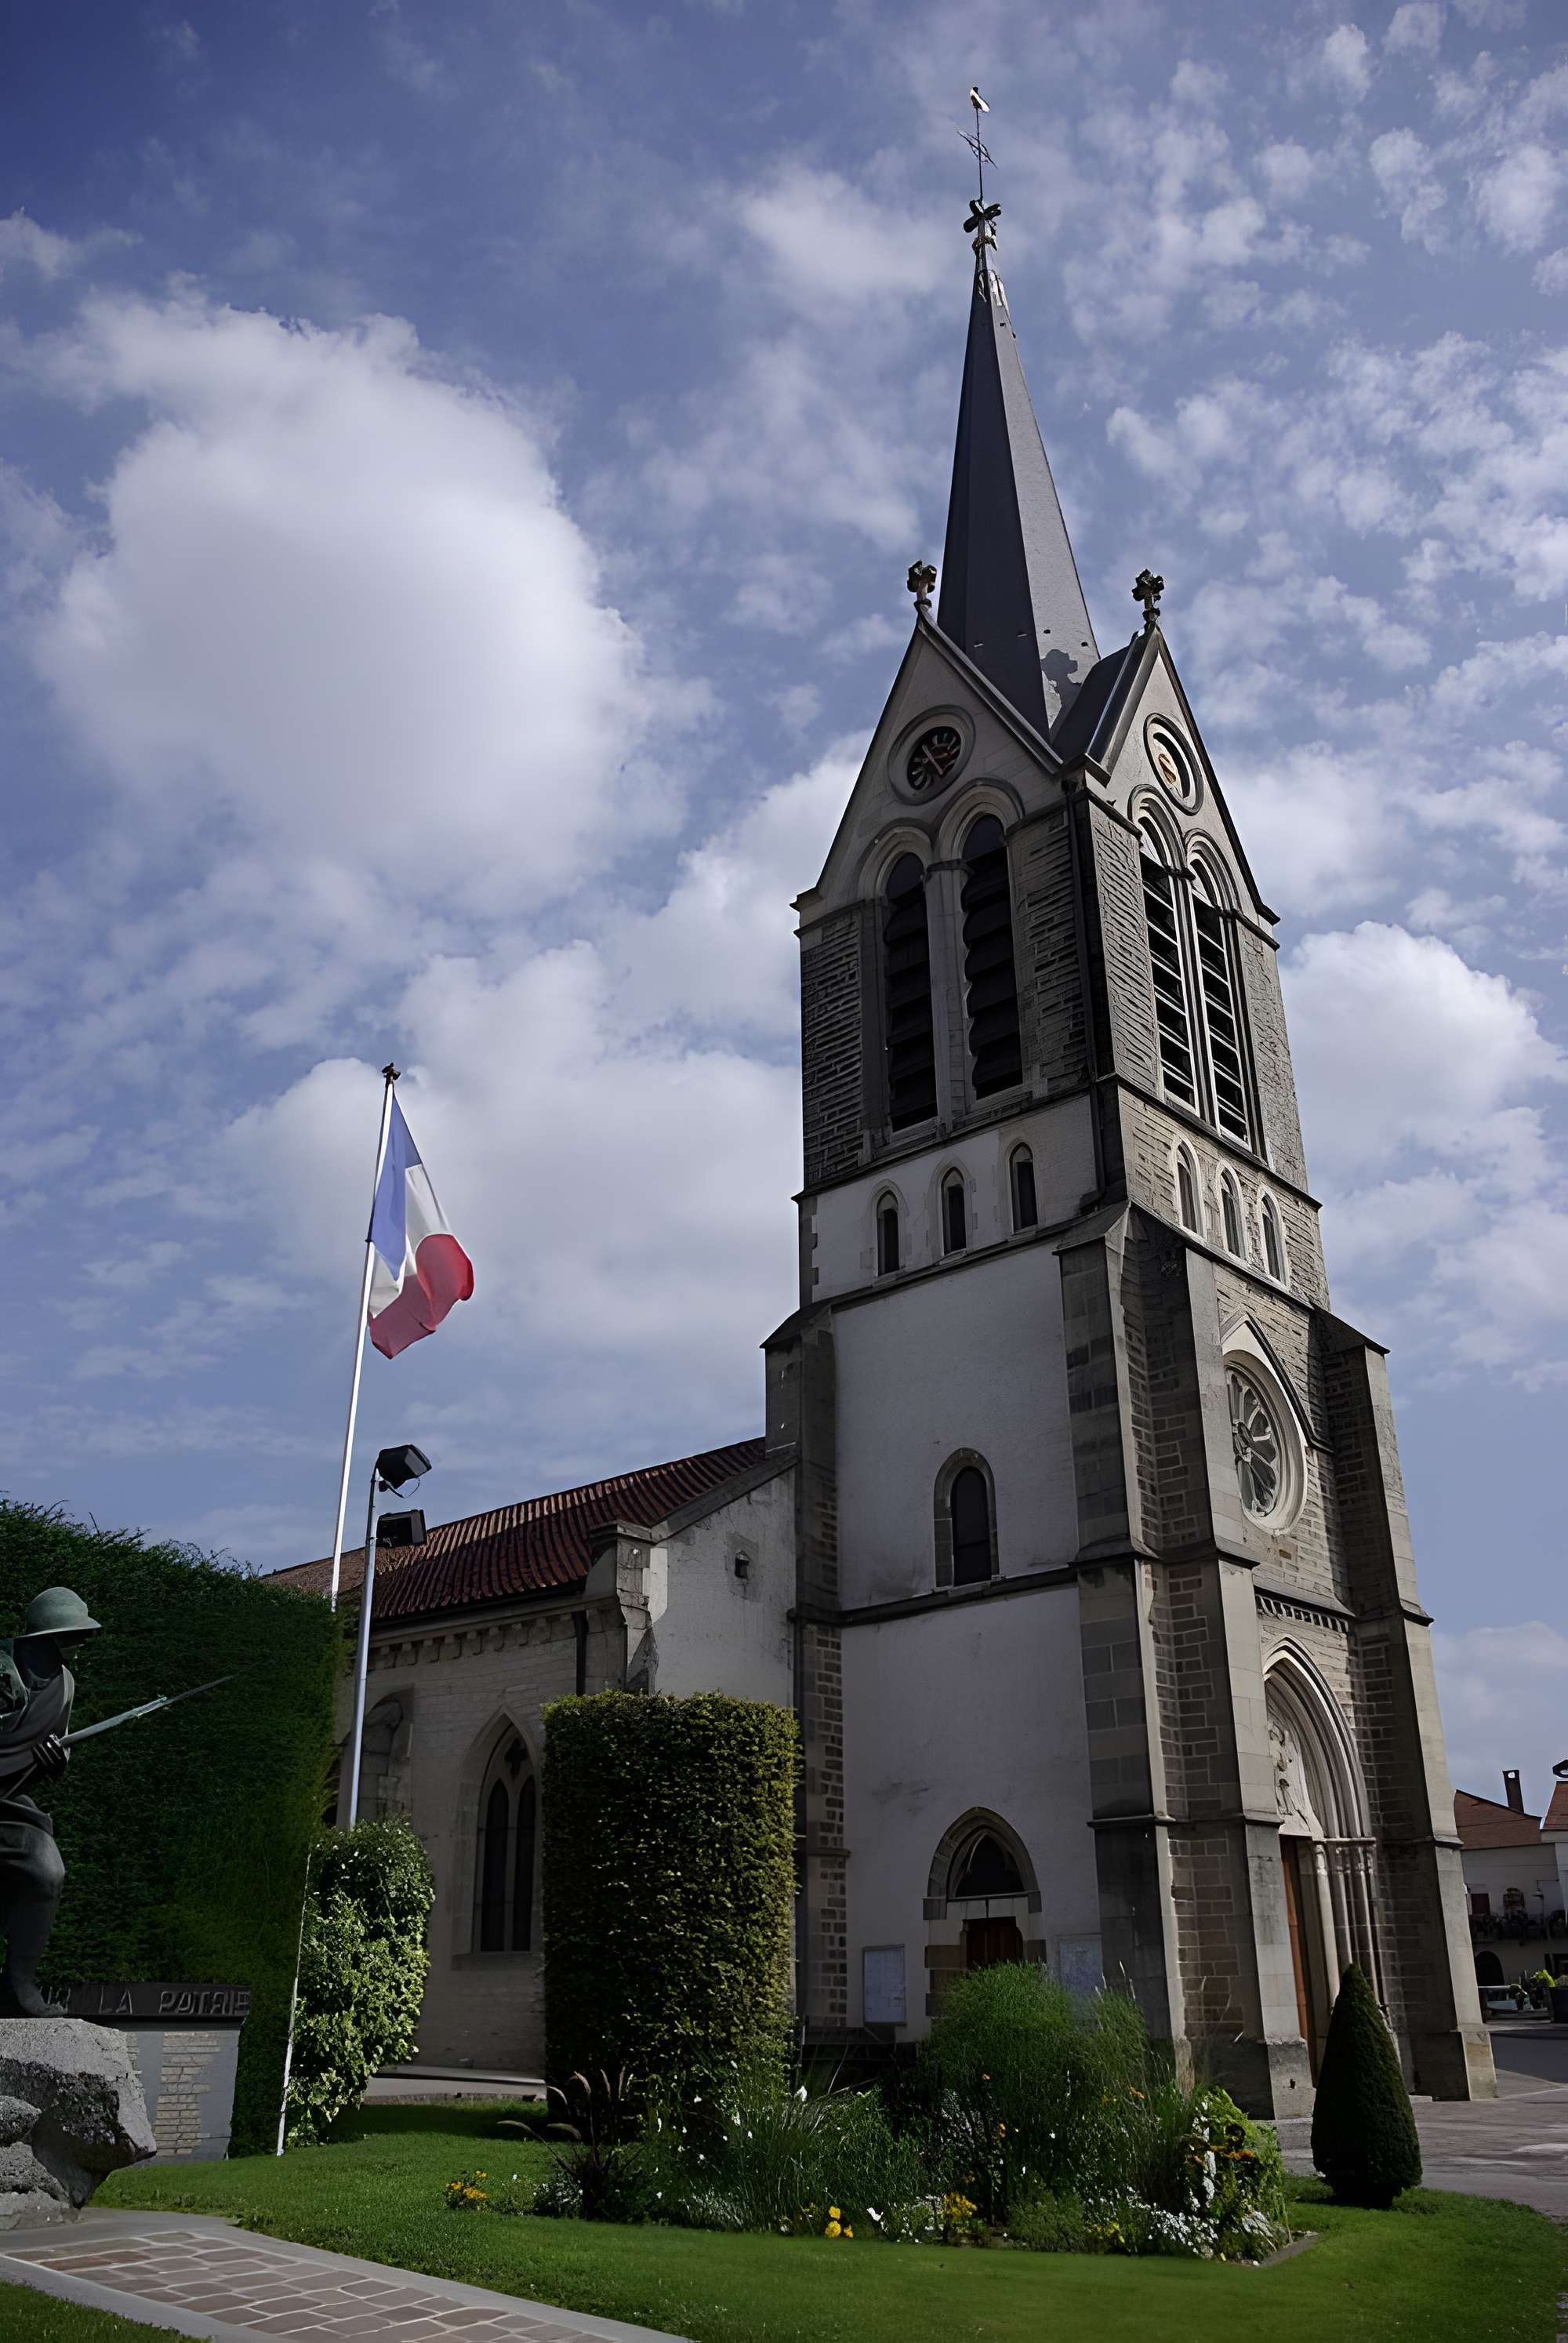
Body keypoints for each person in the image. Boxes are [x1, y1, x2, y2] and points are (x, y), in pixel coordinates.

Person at [0, 1588, 100, 2016]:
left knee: (47, 1870)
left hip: (7, 1804)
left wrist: (56, 1759)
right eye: (72, 1638)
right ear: (46, 1638)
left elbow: (46, 1751)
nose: (79, 1649)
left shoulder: (64, 1686)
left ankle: (18, 1986)